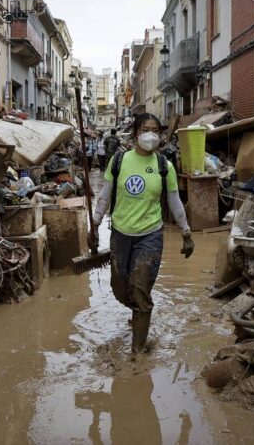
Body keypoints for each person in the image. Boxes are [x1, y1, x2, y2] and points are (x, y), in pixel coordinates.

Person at [91, 113, 194, 354]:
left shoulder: (163, 166)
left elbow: (174, 201)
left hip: (150, 235)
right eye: (146, 129)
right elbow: (105, 195)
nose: (151, 134)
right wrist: (94, 224)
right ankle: (139, 309)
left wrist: (186, 233)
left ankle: (137, 352)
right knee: (119, 287)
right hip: (120, 233)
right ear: (136, 133)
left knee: (139, 287)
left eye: (156, 130)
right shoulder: (118, 161)